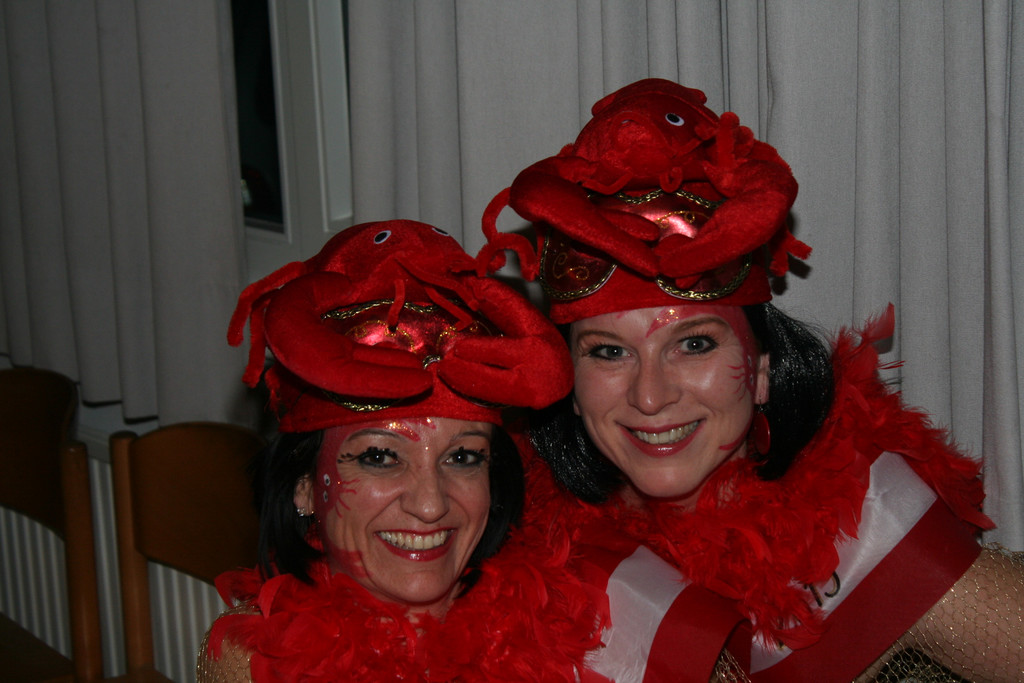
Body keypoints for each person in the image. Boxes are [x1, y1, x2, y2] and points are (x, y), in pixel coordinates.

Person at [479, 78, 1024, 682]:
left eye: (693, 344)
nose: (650, 395)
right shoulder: (504, 538)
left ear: (762, 369)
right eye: (609, 352)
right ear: (572, 387)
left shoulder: (863, 521)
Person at [197, 220, 610, 682]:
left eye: (462, 457)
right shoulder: (254, 665)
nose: (430, 505)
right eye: (380, 457)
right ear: (305, 485)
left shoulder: (563, 626)